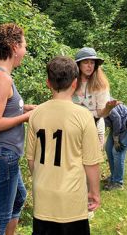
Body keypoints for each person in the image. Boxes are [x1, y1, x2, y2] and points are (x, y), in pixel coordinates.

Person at [26, 56, 103, 235]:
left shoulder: (36, 114)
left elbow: (31, 160)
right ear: (75, 83)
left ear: (48, 83)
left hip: (43, 197)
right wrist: (94, 192)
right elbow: (91, 163)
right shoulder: (84, 116)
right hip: (72, 200)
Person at [0, 23, 35, 235]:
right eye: (24, 46)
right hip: (2, 154)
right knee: (1, 214)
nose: (25, 51)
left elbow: (5, 108)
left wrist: (27, 107)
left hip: (5, 153)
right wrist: (26, 117)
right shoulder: (2, 77)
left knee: (18, 198)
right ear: (14, 46)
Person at [72, 47, 117, 148]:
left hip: (94, 128)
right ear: (78, 64)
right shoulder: (71, 82)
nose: (89, 66)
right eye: (86, 62)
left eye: (92, 63)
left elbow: (101, 113)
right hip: (74, 127)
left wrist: (108, 108)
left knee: (91, 161)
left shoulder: (100, 85)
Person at [103, 102, 127, 191]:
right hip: (118, 125)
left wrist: (116, 139)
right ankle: (113, 177)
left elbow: (116, 118)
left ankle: (118, 183)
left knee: (117, 151)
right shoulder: (89, 103)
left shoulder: (103, 101)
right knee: (108, 148)